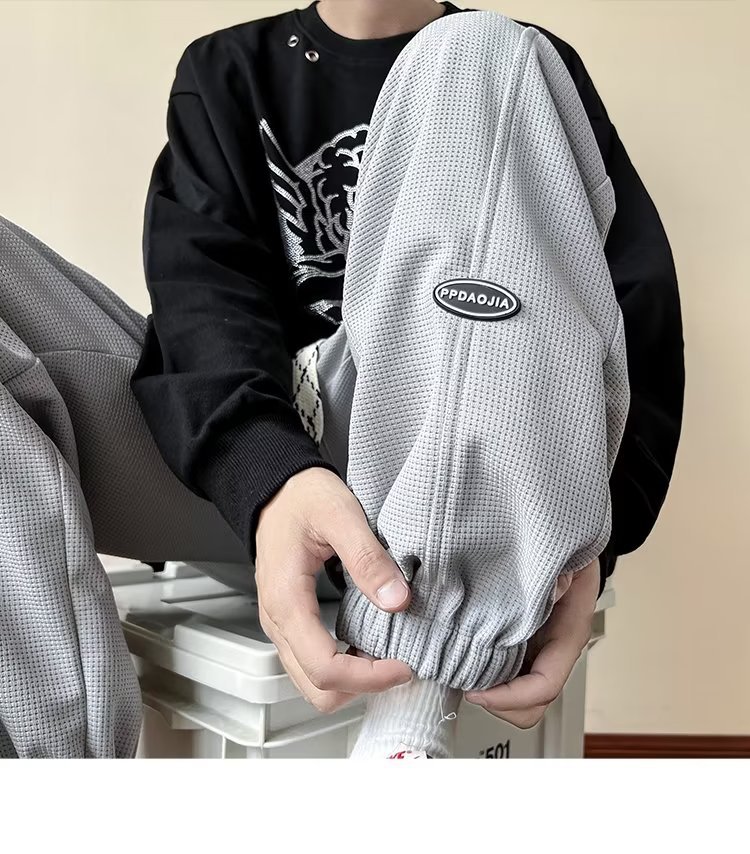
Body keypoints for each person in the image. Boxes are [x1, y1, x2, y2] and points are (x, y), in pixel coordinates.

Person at [0, 0, 682, 758]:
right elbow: (200, 297)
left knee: (479, 50)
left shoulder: (516, 60)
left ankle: (412, 710)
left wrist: (592, 547)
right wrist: (270, 476)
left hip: (453, 475)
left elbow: (627, 321)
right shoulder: (226, 68)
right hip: (252, 482)